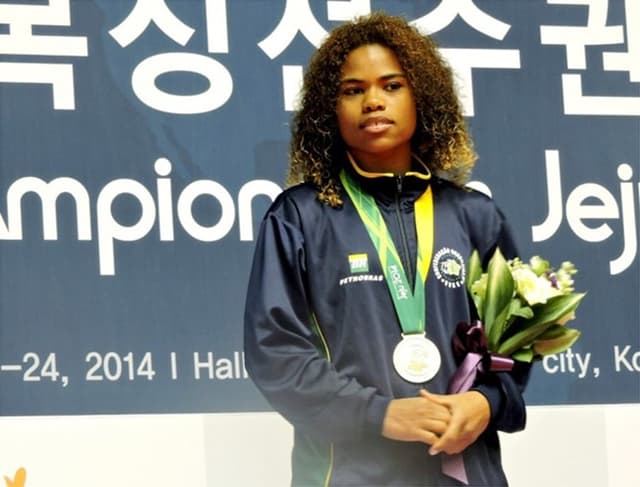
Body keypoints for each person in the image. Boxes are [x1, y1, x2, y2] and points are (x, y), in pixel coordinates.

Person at [244, 12, 529, 487]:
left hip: (463, 472)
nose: (373, 101)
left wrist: (486, 402)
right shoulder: (299, 216)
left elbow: (515, 342)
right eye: (353, 90)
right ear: (328, 110)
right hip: (349, 473)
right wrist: (378, 415)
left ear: (423, 96)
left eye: (391, 85)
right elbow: (276, 351)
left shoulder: (475, 216)